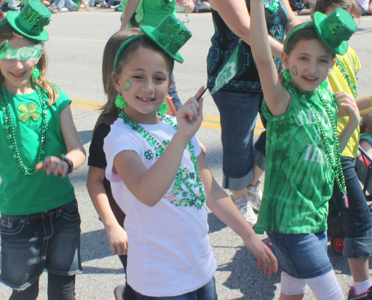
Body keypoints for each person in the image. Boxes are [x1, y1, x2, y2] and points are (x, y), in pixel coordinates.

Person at [104, 14, 278, 299]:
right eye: (137, 77)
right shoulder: (120, 138)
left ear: (169, 82)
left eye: (158, 78)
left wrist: (248, 235)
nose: (149, 87)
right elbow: (148, 193)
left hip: (201, 267)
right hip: (159, 280)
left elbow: (210, 188)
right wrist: (182, 137)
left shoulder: (175, 126)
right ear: (117, 80)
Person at [0, 2, 86, 299]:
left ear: (39, 55)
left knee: (64, 288)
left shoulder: (54, 96)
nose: (18, 65)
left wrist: (66, 161)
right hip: (19, 219)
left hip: (64, 212)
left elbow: (78, 149)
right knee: (23, 293)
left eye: (26, 54)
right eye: (8, 55)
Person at [250, 2, 361, 298]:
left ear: (332, 65)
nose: (313, 68)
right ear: (285, 60)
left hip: (316, 216)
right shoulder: (282, 100)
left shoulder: (324, 97)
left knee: (292, 290)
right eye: (303, 58)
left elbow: (329, 157)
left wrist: (351, 124)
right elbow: (261, 56)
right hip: (289, 223)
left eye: (322, 61)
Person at [206, 0, 301, 227]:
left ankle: (251, 184)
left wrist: (308, 37)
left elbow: (291, 19)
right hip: (236, 77)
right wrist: (294, 56)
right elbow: (244, 29)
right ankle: (240, 201)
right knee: (239, 140)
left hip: (273, 72)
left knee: (282, 129)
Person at [313, 0, 372, 299]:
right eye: (337, 20)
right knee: (359, 219)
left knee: (326, 216)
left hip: (349, 145)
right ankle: (361, 288)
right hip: (331, 149)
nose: (343, 28)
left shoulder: (348, 54)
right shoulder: (315, 55)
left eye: (350, 23)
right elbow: (320, 108)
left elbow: (351, 103)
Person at [87, 28, 142, 300]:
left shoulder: (157, 111)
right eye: (138, 72)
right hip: (127, 224)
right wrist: (111, 224)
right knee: (142, 281)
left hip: (158, 220)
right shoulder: (108, 126)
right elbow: (95, 180)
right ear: (117, 75)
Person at [120, 0, 195, 110]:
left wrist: (186, 4)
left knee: (164, 76)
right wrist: (123, 28)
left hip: (169, 32)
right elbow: (133, 3)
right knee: (155, 77)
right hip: (147, 33)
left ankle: (176, 114)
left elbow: (191, 7)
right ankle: (176, 113)